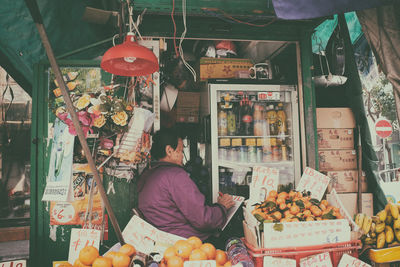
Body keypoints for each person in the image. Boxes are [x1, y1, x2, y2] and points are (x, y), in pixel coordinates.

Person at [137, 128, 235, 243]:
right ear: (169, 151)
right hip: (184, 242)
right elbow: (203, 219)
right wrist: (222, 207)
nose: (182, 156)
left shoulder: (148, 174)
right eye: (180, 151)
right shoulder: (175, 176)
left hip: (162, 238)